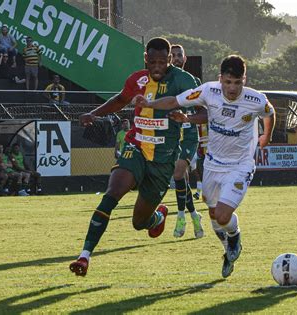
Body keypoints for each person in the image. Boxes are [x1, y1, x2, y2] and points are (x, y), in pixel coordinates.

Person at [134, 54, 276, 278]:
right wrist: (150, 103)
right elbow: (174, 101)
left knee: (221, 215)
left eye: (237, 83)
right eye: (228, 82)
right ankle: (229, 250)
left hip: (240, 165)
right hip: (213, 163)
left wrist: (266, 135)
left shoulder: (256, 100)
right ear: (220, 79)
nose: (232, 88)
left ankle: (235, 237)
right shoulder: (208, 91)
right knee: (212, 213)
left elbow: (270, 113)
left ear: (244, 80)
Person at [69, 37, 200, 277]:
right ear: (146, 60)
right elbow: (120, 100)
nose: (157, 67)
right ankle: (84, 256)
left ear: (170, 60)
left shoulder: (184, 80)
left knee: (139, 222)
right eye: (153, 62)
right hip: (135, 146)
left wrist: (188, 118)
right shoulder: (137, 79)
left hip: (163, 160)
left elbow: (202, 109)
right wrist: (93, 113)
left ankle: (158, 216)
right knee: (112, 193)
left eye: (162, 61)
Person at [170, 44, 204, 239]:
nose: (175, 58)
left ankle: (181, 216)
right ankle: (194, 215)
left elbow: (202, 111)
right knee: (180, 178)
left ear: (185, 59)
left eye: (178, 55)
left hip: (189, 135)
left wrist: (188, 117)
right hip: (171, 135)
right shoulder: (165, 82)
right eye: (172, 55)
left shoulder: (195, 82)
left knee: (178, 172)